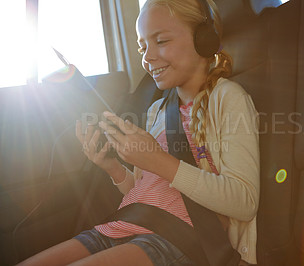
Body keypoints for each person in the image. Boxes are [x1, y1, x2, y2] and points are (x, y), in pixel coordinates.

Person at [18, 0, 259, 265]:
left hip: (180, 238)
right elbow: (147, 195)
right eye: (142, 46)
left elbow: (244, 201)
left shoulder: (227, 98)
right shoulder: (158, 110)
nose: (147, 57)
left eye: (161, 41)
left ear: (204, 39)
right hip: (126, 225)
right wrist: (113, 168)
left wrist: (159, 161)